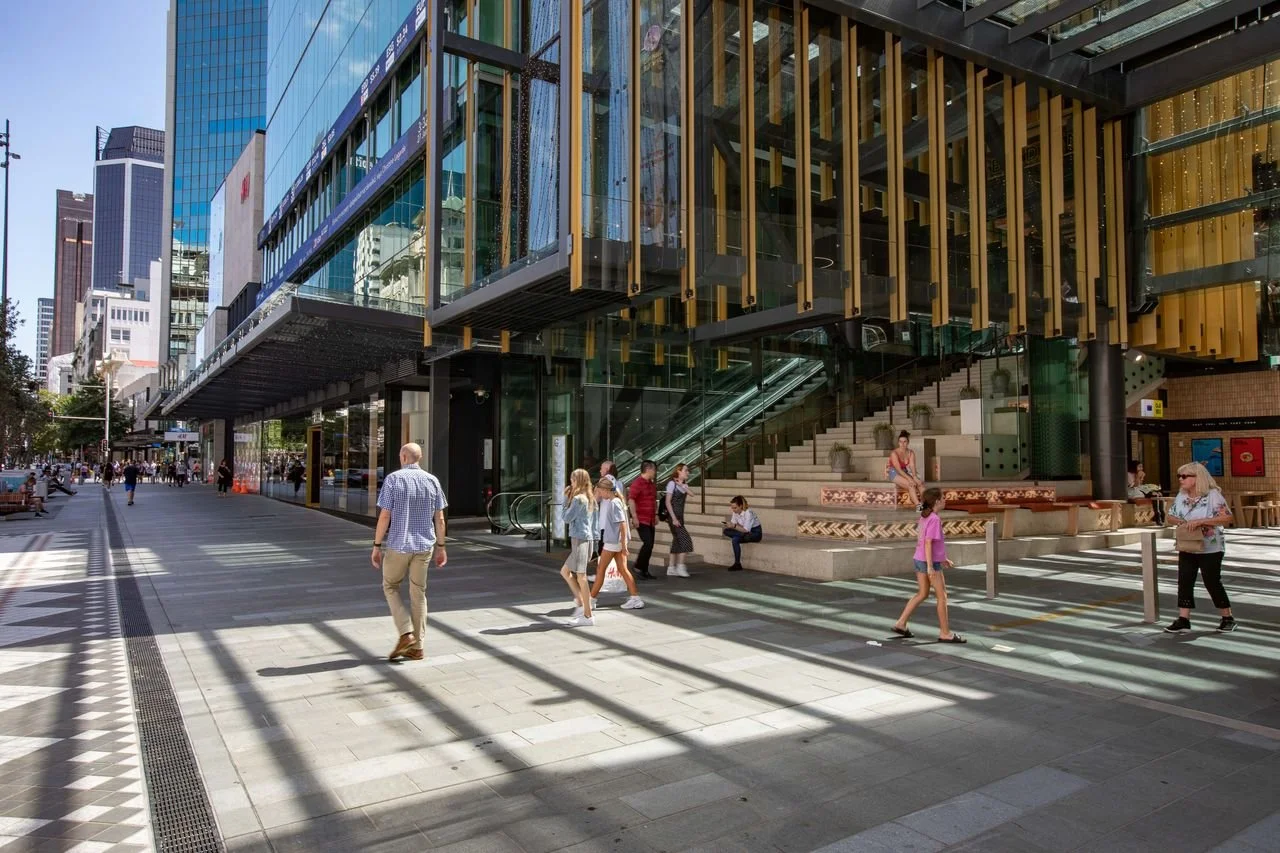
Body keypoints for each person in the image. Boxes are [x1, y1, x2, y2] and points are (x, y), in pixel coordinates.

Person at [372, 443, 449, 661]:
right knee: (419, 594)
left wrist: (376, 546)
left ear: (404, 457)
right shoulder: (432, 480)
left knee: (390, 586)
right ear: (420, 458)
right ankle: (418, 646)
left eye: (399, 455)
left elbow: (385, 516)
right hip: (424, 547)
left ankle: (406, 632)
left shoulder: (394, 479)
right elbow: (440, 519)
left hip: (398, 545)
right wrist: (441, 548)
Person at [1165, 462, 1237, 634]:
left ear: (1198, 478)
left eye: (1185, 476)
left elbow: (1227, 517)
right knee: (1185, 580)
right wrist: (1183, 522)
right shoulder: (1181, 496)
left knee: (1211, 580)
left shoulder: (1212, 495)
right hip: (1188, 544)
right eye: (1179, 476)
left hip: (1210, 546)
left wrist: (1201, 522)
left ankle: (1227, 617)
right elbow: (1170, 516)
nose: (1180, 480)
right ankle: (1184, 619)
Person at [891, 488, 966, 644]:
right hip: (928, 562)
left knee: (922, 593)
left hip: (919, 559)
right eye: (943, 498)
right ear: (937, 501)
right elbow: (928, 542)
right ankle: (945, 633)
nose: (945, 500)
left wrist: (943, 558)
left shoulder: (925, 515)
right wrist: (931, 566)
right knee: (942, 596)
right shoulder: (934, 519)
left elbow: (930, 542)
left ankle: (901, 623)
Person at [589, 478, 644, 610]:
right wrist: (623, 544)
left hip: (613, 542)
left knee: (601, 570)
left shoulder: (614, 503)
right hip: (616, 541)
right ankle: (635, 598)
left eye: (600, 492)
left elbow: (623, 524)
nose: (599, 495)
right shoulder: (617, 501)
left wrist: (624, 545)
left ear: (605, 490)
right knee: (623, 569)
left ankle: (591, 600)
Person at [560, 469, 596, 627]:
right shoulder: (588, 497)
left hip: (580, 540)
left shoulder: (578, 499)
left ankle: (587, 615)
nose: (571, 483)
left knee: (581, 577)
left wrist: (564, 499)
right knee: (565, 571)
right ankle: (581, 604)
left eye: (573, 480)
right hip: (583, 539)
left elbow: (566, 518)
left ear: (579, 481)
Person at [627, 460, 659, 580]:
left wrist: (655, 514)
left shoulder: (651, 484)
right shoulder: (637, 483)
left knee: (650, 545)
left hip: (650, 519)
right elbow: (631, 500)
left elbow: (654, 500)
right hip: (641, 519)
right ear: (649, 469)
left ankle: (644, 569)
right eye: (654, 469)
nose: (655, 472)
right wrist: (634, 516)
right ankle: (638, 566)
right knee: (648, 542)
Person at [664, 463, 694, 578]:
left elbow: (692, 494)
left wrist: (682, 485)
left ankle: (671, 568)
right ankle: (680, 566)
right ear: (679, 471)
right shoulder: (672, 484)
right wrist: (674, 518)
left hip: (680, 517)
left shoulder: (683, 484)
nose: (688, 473)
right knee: (686, 540)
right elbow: (668, 502)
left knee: (677, 541)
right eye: (686, 470)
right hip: (674, 517)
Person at [886, 430, 925, 511]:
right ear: (898, 443)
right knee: (911, 485)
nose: (902, 444)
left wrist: (915, 477)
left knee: (920, 484)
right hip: (894, 472)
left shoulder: (911, 453)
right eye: (900, 442)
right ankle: (919, 507)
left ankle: (925, 505)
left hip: (905, 472)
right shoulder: (894, 453)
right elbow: (898, 469)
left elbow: (912, 466)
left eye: (904, 442)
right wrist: (910, 479)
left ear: (908, 443)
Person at [721, 496, 763, 572]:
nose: (733, 510)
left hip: (755, 533)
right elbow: (735, 526)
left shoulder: (748, 513)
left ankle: (737, 563)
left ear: (740, 506)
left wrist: (734, 526)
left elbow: (746, 529)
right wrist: (730, 525)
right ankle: (737, 564)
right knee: (726, 531)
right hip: (743, 532)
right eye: (732, 508)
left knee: (737, 538)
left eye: (735, 508)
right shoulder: (735, 512)